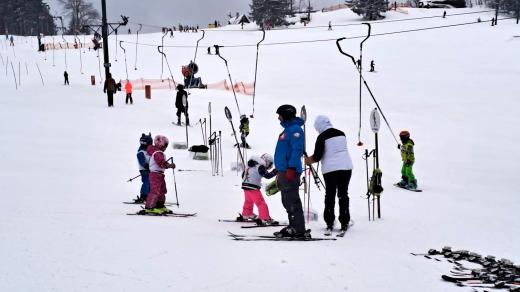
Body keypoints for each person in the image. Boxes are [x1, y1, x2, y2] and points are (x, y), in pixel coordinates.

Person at [304, 115, 353, 233]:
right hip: (346, 167)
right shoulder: (342, 133)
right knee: (343, 194)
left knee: (330, 195)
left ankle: (330, 221)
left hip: (331, 170)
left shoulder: (321, 137)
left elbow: (317, 156)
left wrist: (307, 160)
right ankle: (344, 221)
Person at [273, 104, 310, 239]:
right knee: (287, 200)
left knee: (292, 200)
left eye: (280, 115)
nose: (279, 118)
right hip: (283, 170)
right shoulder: (288, 130)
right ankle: (293, 225)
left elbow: (297, 150)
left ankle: (298, 228)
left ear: (286, 115)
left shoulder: (295, 130)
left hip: (290, 171)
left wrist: (292, 168)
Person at [239, 154, 279, 226]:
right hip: (253, 187)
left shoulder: (250, 164)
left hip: (245, 185)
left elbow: (243, 175)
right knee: (261, 203)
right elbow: (267, 176)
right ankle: (264, 218)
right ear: (266, 161)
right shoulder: (260, 166)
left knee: (248, 201)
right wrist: (276, 171)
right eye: (269, 164)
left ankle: (247, 214)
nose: (269, 167)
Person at [140, 135, 176, 214]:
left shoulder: (159, 152)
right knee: (155, 190)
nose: (165, 148)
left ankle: (159, 205)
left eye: (166, 146)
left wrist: (168, 165)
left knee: (162, 190)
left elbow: (162, 162)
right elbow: (161, 162)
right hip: (155, 174)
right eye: (165, 145)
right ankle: (149, 207)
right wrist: (169, 165)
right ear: (160, 144)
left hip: (160, 174)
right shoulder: (157, 153)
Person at [134, 133, 153, 203]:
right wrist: (146, 166)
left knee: (151, 183)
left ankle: (149, 196)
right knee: (146, 182)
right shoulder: (141, 152)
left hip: (150, 170)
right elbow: (142, 161)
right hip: (144, 171)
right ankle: (143, 196)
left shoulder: (148, 151)